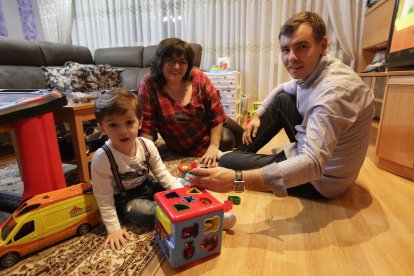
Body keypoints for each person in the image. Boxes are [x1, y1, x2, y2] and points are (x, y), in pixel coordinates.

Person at [188, 11, 374, 199]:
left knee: (228, 161)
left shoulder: (333, 91)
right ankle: (244, 154)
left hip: (323, 180)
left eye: (302, 47)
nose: (291, 58)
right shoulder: (318, 70)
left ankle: (237, 158)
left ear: (322, 45)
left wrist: (236, 180)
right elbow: (283, 87)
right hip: (318, 153)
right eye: (285, 50)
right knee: (282, 99)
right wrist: (257, 116)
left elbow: (313, 164)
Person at [91, 88, 183, 251]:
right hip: (126, 199)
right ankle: (175, 212)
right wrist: (113, 228)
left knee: (180, 183)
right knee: (141, 214)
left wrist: (181, 193)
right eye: (113, 125)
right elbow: (103, 198)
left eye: (129, 122)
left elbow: (162, 174)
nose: (123, 131)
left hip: (147, 185)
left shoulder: (147, 145)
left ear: (140, 122)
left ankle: (181, 206)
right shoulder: (102, 158)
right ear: (103, 128)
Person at [138, 37, 244, 166]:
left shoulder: (199, 77)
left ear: (188, 64)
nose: (176, 67)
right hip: (183, 142)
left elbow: (216, 114)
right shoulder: (148, 84)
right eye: (170, 60)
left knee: (246, 138)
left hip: (208, 121)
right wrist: (145, 156)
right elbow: (147, 127)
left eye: (182, 61)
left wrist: (213, 146)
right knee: (227, 140)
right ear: (160, 62)